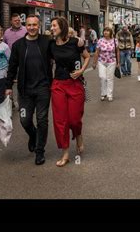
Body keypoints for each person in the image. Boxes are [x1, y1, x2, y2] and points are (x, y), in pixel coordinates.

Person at [5, 15, 52, 166]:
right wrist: (8, 87)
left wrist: (77, 42)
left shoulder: (46, 42)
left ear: (39, 26)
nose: (32, 27)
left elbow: (61, 49)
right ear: (26, 26)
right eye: (29, 25)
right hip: (25, 91)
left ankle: (39, 152)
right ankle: (33, 135)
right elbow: (12, 67)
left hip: (43, 88)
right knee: (24, 120)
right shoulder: (19, 45)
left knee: (42, 119)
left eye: (35, 25)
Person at [49, 17, 90, 167]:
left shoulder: (75, 42)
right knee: (60, 120)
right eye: (51, 26)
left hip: (75, 84)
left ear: (62, 27)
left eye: (54, 25)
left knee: (74, 119)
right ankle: (65, 153)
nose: (51, 28)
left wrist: (81, 70)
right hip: (58, 84)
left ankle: (78, 134)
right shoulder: (51, 44)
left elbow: (86, 57)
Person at [92, 27, 120, 102]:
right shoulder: (100, 41)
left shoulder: (115, 40)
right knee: (102, 77)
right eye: (104, 31)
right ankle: (103, 93)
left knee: (110, 78)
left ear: (111, 32)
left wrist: (118, 62)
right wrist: (94, 62)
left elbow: (117, 51)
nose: (105, 32)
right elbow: (97, 52)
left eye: (107, 31)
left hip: (112, 62)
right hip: (101, 61)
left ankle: (109, 94)